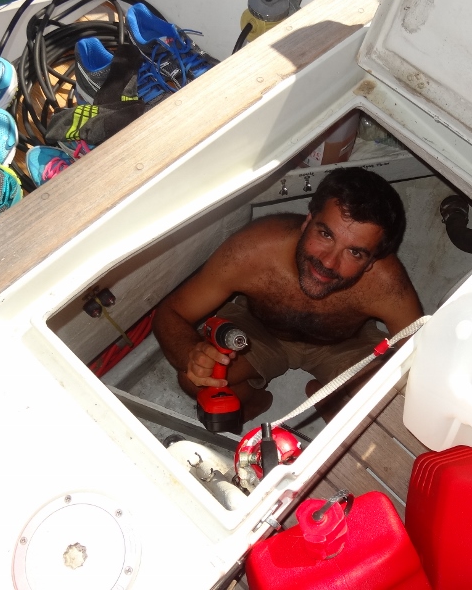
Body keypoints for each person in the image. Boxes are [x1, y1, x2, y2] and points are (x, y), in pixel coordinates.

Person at [153, 167, 424, 423]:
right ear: (307, 222)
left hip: (345, 343)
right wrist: (191, 354)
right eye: (325, 234)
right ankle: (255, 401)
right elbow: (171, 312)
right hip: (257, 332)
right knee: (195, 380)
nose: (328, 262)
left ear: (372, 262)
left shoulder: (387, 284)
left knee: (393, 404)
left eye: (355, 252)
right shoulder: (252, 249)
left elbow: (419, 356)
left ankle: (329, 400)